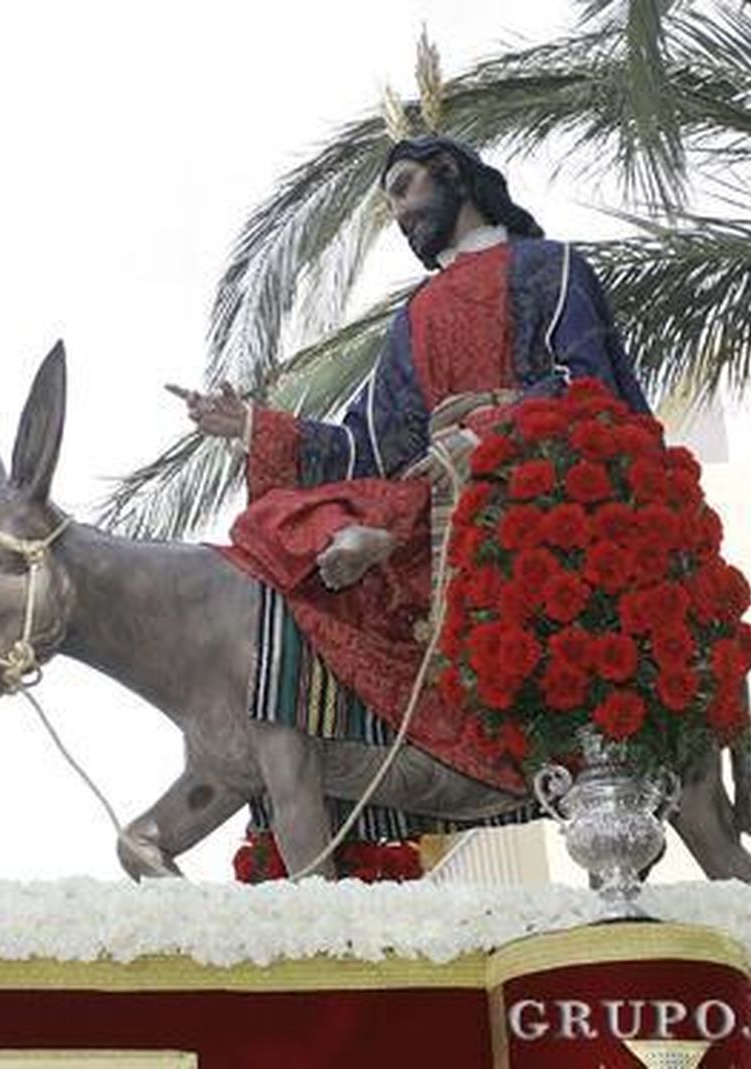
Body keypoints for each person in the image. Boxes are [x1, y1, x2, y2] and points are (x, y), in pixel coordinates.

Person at [175, 136, 654, 844]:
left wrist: (486, 431)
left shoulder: (546, 269)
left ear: (452, 174)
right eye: (390, 200)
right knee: (281, 529)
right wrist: (254, 426)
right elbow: (368, 446)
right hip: (433, 506)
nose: (398, 212)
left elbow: (585, 382)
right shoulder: (418, 314)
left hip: (540, 496)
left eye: (404, 188)